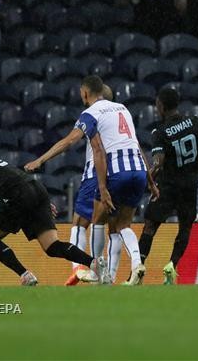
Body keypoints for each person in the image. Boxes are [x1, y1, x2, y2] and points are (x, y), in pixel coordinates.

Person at [0, 142, 99, 286]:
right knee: (51, 246)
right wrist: (37, 200)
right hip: (35, 187)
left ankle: (25, 275)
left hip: (15, 195)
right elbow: (10, 173)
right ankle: (94, 264)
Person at [24, 80, 115, 285]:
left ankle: (81, 268)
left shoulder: (93, 115)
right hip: (120, 172)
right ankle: (109, 270)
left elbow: (68, 141)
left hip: (96, 174)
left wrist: (40, 160)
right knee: (115, 227)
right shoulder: (118, 116)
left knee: (80, 222)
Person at [75, 75, 158, 285]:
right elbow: (136, 143)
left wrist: (102, 186)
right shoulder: (123, 109)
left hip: (115, 171)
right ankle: (136, 263)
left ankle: (96, 270)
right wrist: (150, 179)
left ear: (87, 93)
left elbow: (98, 151)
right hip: (137, 170)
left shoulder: (92, 113)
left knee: (98, 221)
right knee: (123, 225)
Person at [137, 87, 198, 285]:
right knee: (185, 228)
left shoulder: (160, 132)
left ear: (160, 105)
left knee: (150, 225)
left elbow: (158, 163)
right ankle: (172, 266)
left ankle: (139, 268)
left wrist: (149, 181)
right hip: (190, 185)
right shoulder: (195, 121)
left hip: (167, 187)